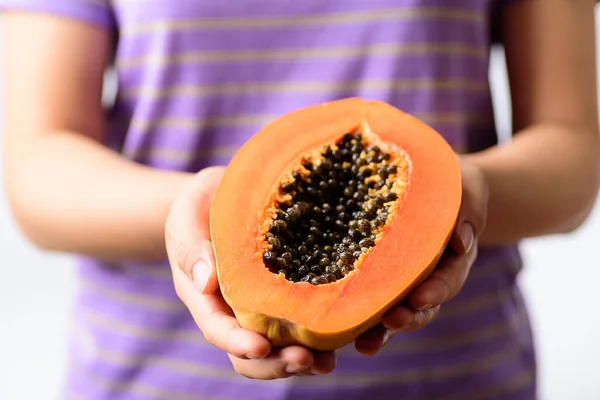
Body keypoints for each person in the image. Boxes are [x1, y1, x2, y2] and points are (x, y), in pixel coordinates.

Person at [2, 0, 599, 398]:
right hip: (152, 379)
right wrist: (190, 212)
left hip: (454, 377)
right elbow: (37, 164)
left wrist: (466, 190)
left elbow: (573, 150)